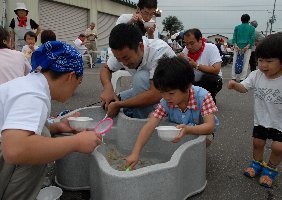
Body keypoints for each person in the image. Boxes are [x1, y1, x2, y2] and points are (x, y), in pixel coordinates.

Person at [0, 41, 101, 199]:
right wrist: (76, 143)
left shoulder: (30, 84)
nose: (76, 88)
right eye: (78, 83)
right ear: (71, 76)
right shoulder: (33, 95)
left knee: (45, 132)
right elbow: (14, 150)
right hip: (7, 151)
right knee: (41, 139)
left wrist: (57, 127)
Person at [227, 34, 282, 188]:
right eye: (260, 60)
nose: (263, 65)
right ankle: (257, 163)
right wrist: (235, 85)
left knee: (278, 147)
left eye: (269, 61)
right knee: (258, 142)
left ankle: (271, 170)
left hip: (281, 122)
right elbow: (244, 88)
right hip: (261, 120)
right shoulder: (256, 75)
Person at [125, 56, 218, 169]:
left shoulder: (203, 96)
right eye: (162, 93)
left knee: (204, 140)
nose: (166, 97)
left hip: (200, 131)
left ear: (188, 86)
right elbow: (149, 126)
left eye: (171, 93)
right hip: (181, 128)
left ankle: (196, 153)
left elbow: (210, 127)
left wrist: (188, 129)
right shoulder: (165, 101)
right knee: (152, 118)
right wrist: (135, 153)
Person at [100, 23, 176, 119]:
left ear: (141, 47)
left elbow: (156, 94)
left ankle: (140, 124)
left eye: (126, 58)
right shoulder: (122, 52)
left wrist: (120, 104)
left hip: (171, 95)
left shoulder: (159, 52)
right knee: (110, 102)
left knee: (141, 77)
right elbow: (106, 68)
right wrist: (108, 88)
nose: (124, 63)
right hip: (150, 91)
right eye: (119, 59)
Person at [179, 28, 222, 103]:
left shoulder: (211, 48)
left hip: (208, 80)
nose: (188, 47)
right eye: (186, 43)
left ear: (200, 40)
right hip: (193, 81)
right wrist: (179, 60)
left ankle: (209, 100)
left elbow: (216, 70)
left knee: (210, 79)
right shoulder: (186, 50)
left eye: (192, 43)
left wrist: (195, 65)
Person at [231, 14, 255, 82]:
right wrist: (247, 46)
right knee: (245, 63)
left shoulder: (237, 27)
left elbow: (234, 37)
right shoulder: (252, 28)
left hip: (237, 47)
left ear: (241, 20)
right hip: (247, 48)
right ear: (249, 20)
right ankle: (242, 78)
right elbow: (252, 38)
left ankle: (233, 77)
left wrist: (235, 45)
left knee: (235, 61)